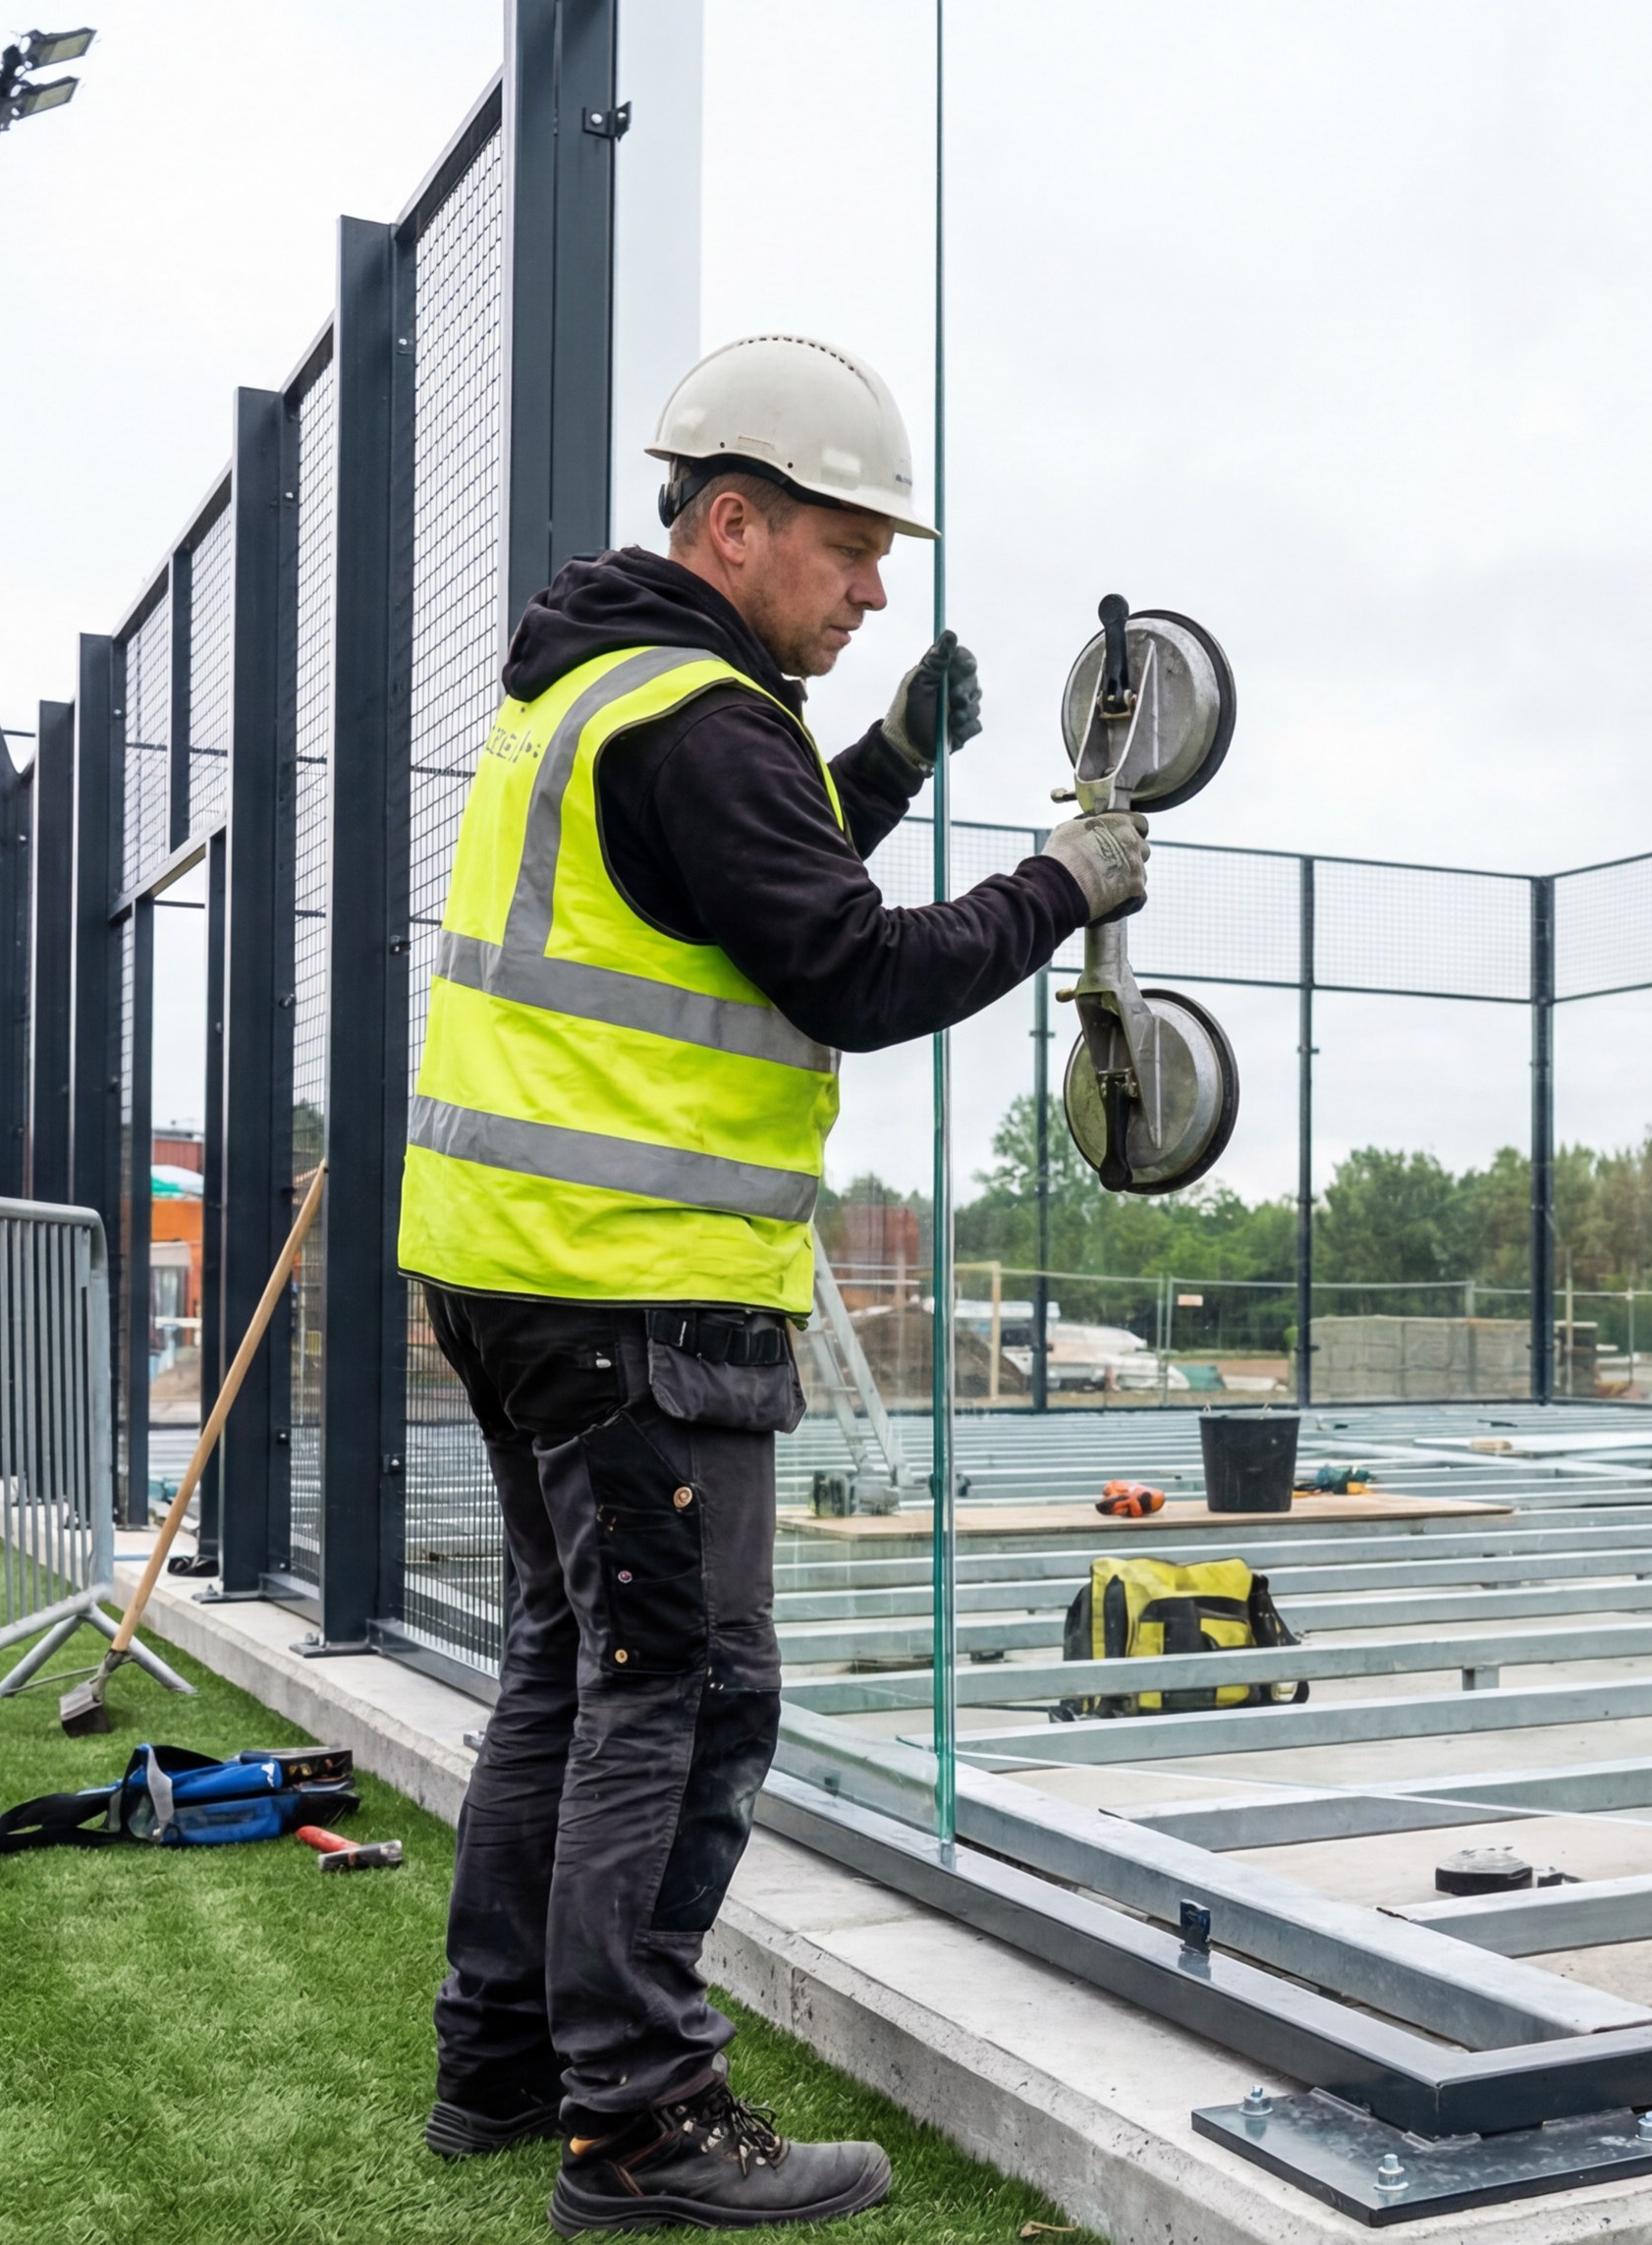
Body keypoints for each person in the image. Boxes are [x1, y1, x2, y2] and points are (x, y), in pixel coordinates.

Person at [398, 332, 1146, 2234]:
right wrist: (1068, 881)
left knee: (567, 1674)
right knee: (687, 1695)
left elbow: (733, 897)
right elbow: (847, 972)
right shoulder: (700, 716)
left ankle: (502, 2059)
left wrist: (891, 752)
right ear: (734, 523)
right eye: (848, 548)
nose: (874, 583)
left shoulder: (599, 692)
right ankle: (637, 2123)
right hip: (635, 1289)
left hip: (510, 1276)